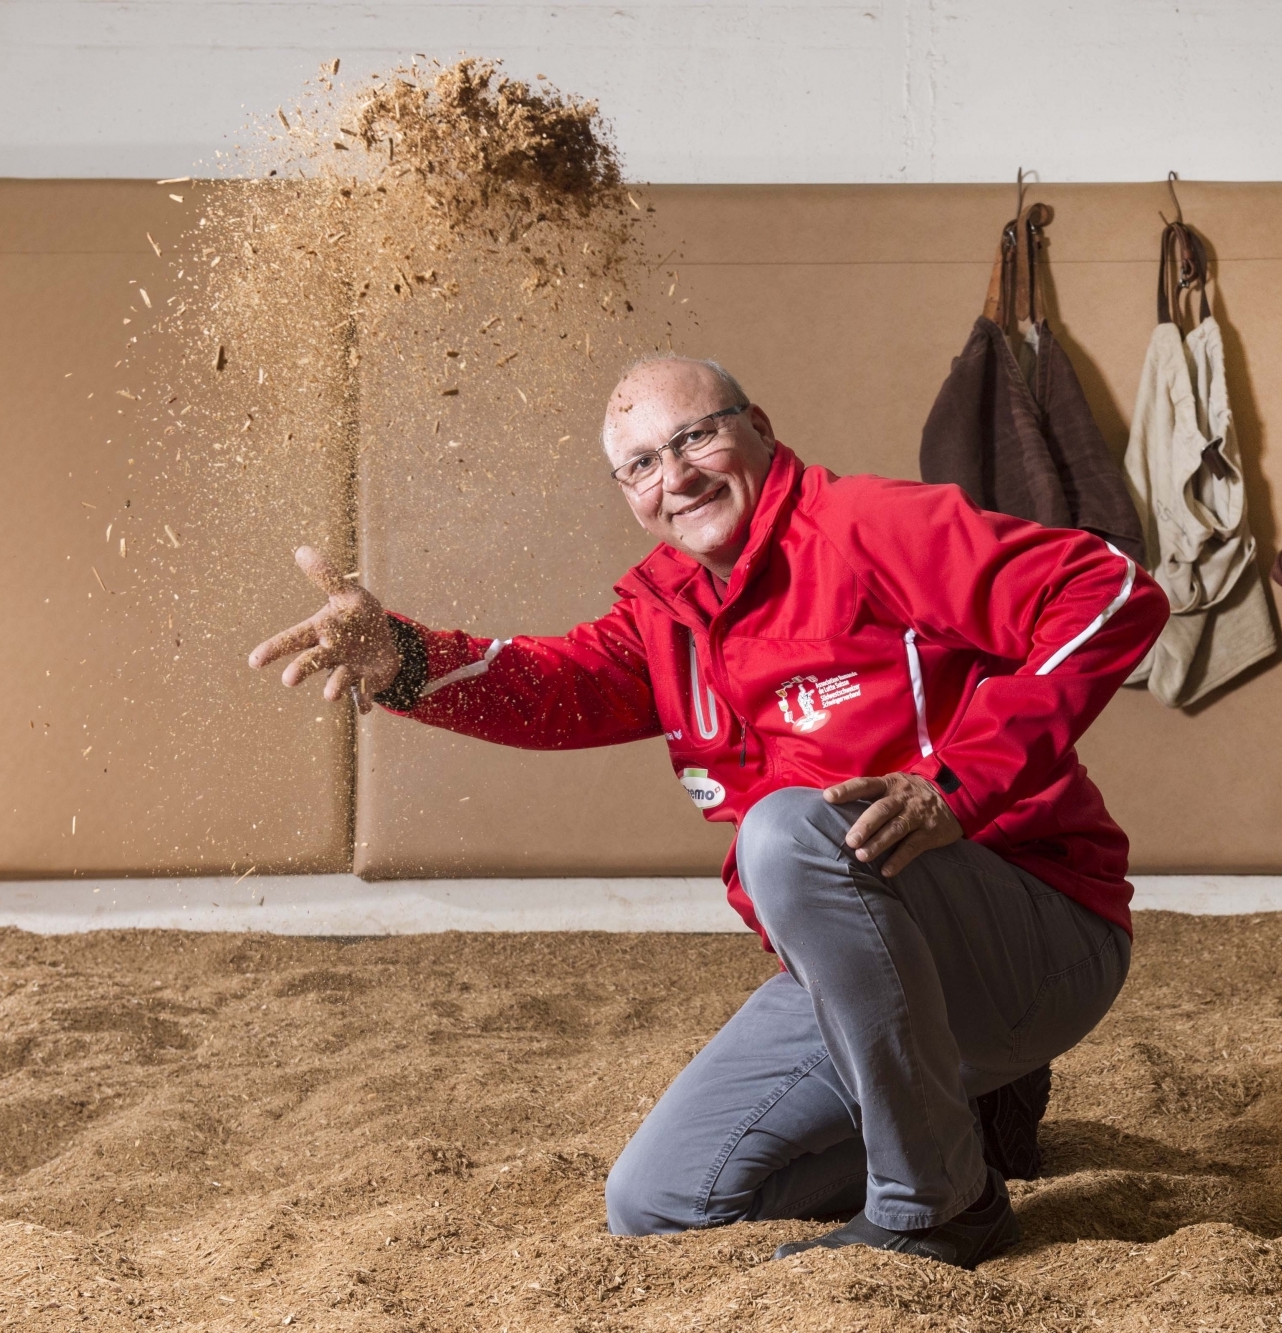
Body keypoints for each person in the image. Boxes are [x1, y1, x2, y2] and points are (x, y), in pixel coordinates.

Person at [247, 356, 1167, 1269]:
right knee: (660, 1199)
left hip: (1040, 935)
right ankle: (968, 1126)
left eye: (695, 436)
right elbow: (555, 685)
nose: (675, 476)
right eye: (641, 463)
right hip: (876, 979)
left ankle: (938, 1204)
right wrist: (404, 658)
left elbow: (1114, 591)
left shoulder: (867, 526)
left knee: (786, 830)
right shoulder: (667, 610)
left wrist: (955, 782)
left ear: (757, 426)